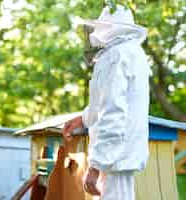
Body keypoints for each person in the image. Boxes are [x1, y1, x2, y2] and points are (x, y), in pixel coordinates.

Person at [62, 5, 150, 200]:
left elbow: (113, 112)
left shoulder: (115, 56)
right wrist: (83, 119)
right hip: (119, 157)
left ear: (109, 28)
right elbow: (110, 101)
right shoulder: (134, 53)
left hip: (113, 160)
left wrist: (96, 166)